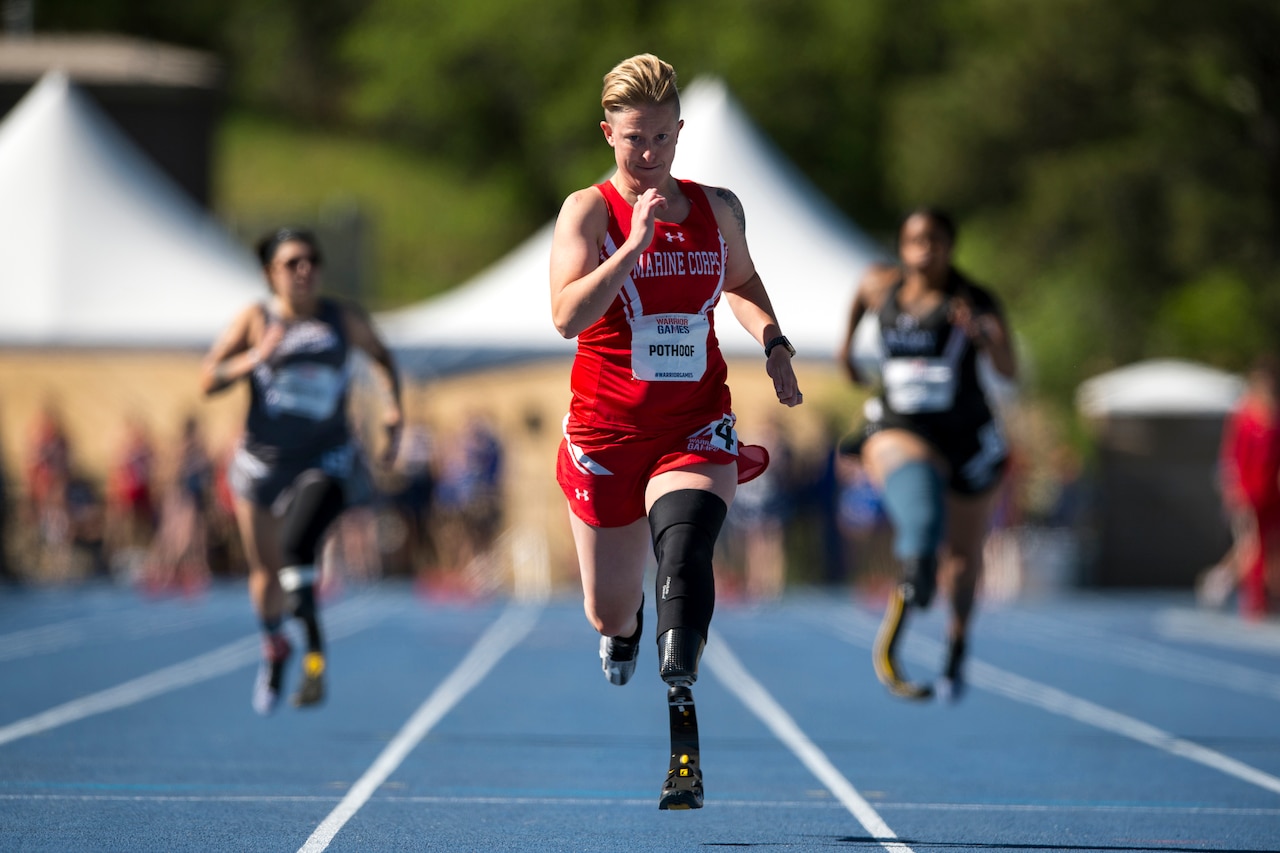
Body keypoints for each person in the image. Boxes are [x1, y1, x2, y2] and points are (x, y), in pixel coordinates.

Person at [550, 53, 802, 809]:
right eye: (634, 139)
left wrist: (775, 342)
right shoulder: (587, 213)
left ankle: (681, 696)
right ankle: (624, 630)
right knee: (609, 605)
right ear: (608, 135)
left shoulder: (717, 207)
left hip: (694, 421)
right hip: (607, 431)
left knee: (685, 546)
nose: (650, 154)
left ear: (681, 131)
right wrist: (632, 246)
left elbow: (745, 281)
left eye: (662, 136)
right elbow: (565, 316)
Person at [201, 227, 402, 715]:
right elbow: (209, 379)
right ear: (271, 273)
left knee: (297, 548)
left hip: (323, 458)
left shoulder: (341, 319)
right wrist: (255, 358)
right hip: (261, 464)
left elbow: (381, 356)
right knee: (266, 576)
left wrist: (392, 409)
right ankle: (276, 646)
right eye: (291, 262)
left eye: (311, 259)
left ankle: (314, 653)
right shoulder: (255, 319)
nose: (304, 270)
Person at [836, 208, 1017, 702]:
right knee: (914, 490)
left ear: (950, 246)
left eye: (935, 239)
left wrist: (984, 336)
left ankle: (956, 646)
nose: (925, 248)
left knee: (962, 555)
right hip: (900, 422)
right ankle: (915, 565)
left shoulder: (972, 300)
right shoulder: (881, 286)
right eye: (916, 238)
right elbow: (858, 297)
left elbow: (1009, 368)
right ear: (902, 244)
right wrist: (846, 350)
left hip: (965, 433)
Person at [1216, 353, 1280, 620]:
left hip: (1271, 494)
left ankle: (1261, 593)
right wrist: (1234, 492)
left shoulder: (1274, 416)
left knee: (1271, 546)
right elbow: (1232, 457)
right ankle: (1254, 602)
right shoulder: (1244, 418)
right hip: (1248, 493)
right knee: (1252, 548)